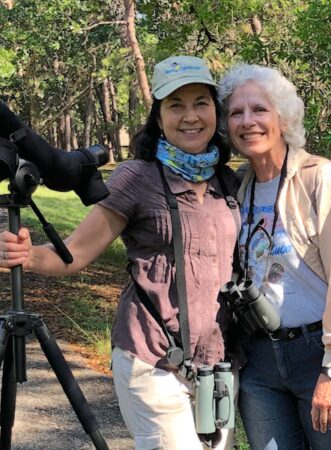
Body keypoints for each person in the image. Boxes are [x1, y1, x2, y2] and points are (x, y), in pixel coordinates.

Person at [0, 56, 240, 450]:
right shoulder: (138, 177)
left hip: (218, 361)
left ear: (216, 110)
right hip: (154, 357)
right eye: (175, 105)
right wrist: (26, 255)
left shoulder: (229, 181)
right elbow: (75, 252)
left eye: (201, 102)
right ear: (158, 117)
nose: (190, 116)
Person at [217, 64, 331, 450]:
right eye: (236, 113)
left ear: (283, 117)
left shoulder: (322, 180)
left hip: (321, 353)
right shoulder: (240, 187)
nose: (247, 121)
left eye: (259, 109)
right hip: (260, 362)